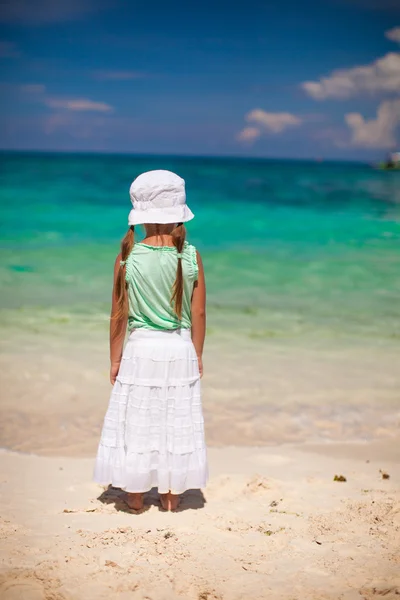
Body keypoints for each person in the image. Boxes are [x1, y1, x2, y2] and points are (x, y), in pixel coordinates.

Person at [93, 170, 208, 512]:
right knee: (175, 421)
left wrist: (115, 359)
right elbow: (198, 315)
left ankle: (134, 495)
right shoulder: (190, 256)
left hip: (140, 349)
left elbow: (118, 317)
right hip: (178, 348)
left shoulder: (126, 258)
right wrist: (197, 355)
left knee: (138, 422)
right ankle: (172, 497)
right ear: (177, 214)